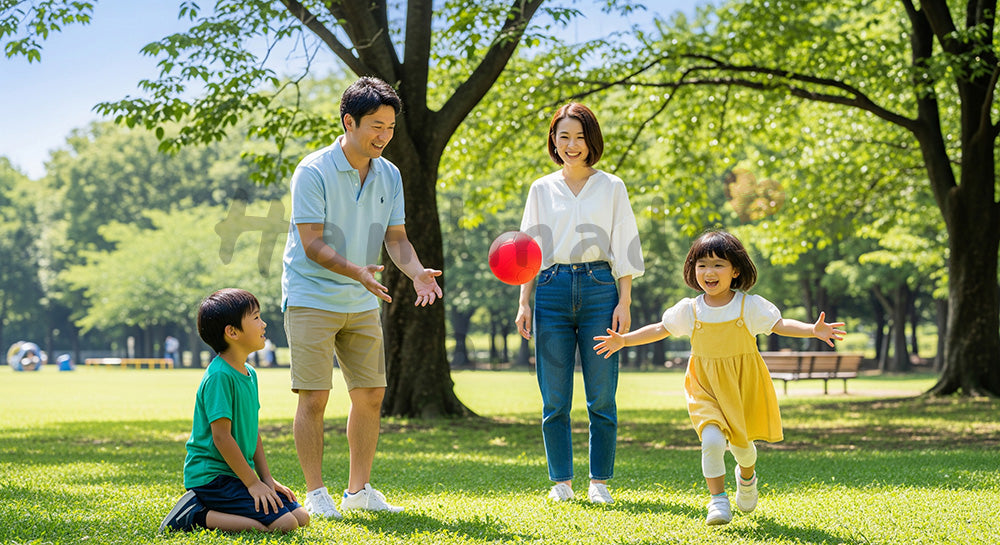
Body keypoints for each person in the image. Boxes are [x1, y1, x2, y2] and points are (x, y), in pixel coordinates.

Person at [593, 230, 845, 525]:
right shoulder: (690, 310)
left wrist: (812, 330)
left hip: (741, 386)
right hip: (705, 386)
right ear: (693, 269)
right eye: (702, 265)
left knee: (743, 449)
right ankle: (718, 500)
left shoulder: (748, 306)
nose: (709, 272)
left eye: (718, 264)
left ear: (735, 270)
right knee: (711, 441)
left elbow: (779, 324)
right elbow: (660, 329)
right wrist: (624, 340)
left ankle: (747, 478)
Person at [281, 76, 443, 518]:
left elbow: (397, 239)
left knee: (371, 394)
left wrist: (416, 272)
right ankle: (316, 493)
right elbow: (311, 243)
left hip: (362, 297)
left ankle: (358, 491)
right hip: (311, 294)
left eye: (390, 127)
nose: (384, 136)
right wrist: (356, 271)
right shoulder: (313, 170)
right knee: (314, 397)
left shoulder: (389, 174)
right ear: (348, 122)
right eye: (376, 125)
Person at [515, 102, 644, 504]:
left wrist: (624, 301)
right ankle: (561, 483)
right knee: (554, 398)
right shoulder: (541, 189)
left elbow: (625, 244)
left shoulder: (612, 186)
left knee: (601, 396)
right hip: (550, 290)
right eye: (564, 136)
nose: (572, 145)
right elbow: (528, 249)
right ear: (553, 141)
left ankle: (599, 483)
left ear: (592, 141)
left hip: (600, 289)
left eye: (580, 137)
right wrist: (524, 301)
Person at [159, 288, 310, 533]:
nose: (263, 323)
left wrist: (266, 479)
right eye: (256, 317)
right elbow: (221, 437)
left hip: (237, 474)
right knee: (285, 524)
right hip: (213, 478)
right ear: (232, 332)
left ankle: (218, 508)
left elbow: (252, 431)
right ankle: (195, 515)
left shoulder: (250, 374)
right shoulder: (219, 376)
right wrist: (252, 483)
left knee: (301, 516)